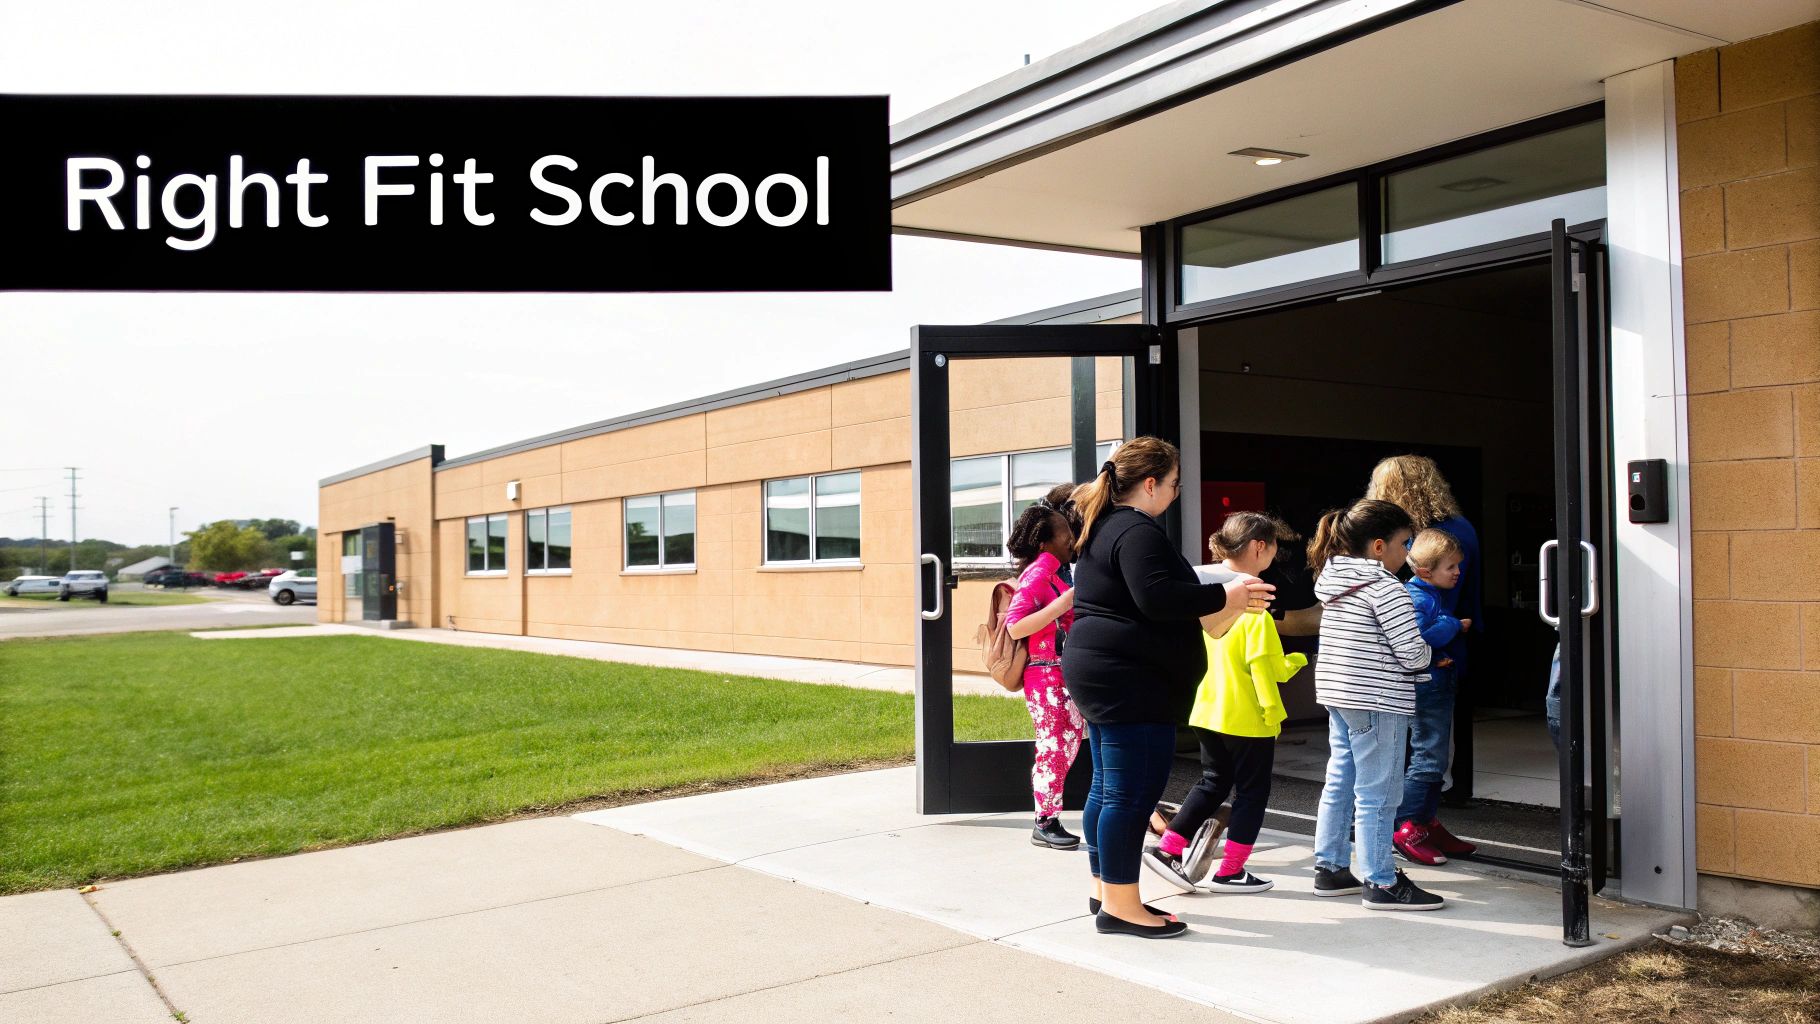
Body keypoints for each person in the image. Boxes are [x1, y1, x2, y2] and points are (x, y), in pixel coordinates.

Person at [1061, 437, 1274, 939]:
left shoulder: (1107, 525)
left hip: (1108, 673)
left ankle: (1106, 890)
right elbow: (1157, 597)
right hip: (1129, 681)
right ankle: (1121, 906)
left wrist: (1219, 593)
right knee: (1130, 796)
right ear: (1151, 483)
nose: (1177, 493)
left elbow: (1149, 595)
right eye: (1175, 484)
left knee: (1109, 790)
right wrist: (1227, 591)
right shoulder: (1136, 530)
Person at [1144, 512, 1307, 894]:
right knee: (1252, 792)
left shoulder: (1201, 588)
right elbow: (1264, 668)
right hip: (1246, 714)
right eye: (1274, 547)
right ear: (1259, 547)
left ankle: (1169, 848)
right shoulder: (1254, 598)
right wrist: (1286, 683)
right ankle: (1231, 871)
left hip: (1206, 707)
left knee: (1213, 782)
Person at [1307, 499, 1445, 911]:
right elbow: (1412, 654)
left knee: (1342, 780)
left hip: (1339, 695)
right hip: (1379, 698)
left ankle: (1330, 868)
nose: (1409, 554)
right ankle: (1381, 881)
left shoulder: (1333, 580)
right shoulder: (1386, 589)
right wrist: (1430, 653)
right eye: (1406, 544)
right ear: (1380, 546)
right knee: (1380, 791)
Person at [1366, 455, 1481, 806]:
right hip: (1460, 633)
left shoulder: (1407, 539)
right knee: (1451, 725)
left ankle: (1405, 812)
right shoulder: (1463, 527)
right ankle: (1455, 793)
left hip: (1420, 645)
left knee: (1412, 736)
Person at [1392, 529, 1477, 865]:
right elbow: (1417, 637)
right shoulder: (1418, 598)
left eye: (1458, 565)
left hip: (1435, 681)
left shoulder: (1427, 595)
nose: (1457, 572)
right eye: (1450, 567)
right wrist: (1452, 625)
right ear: (1425, 571)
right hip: (1428, 685)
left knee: (1436, 758)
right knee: (1428, 758)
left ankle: (1426, 823)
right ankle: (1407, 825)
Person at [1004, 500, 1085, 850]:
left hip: (1059, 675)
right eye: (1065, 534)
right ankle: (1044, 820)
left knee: (1067, 742)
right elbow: (1015, 626)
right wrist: (1062, 604)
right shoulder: (1038, 574)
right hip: (1044, 677)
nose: (1072, 540)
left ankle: (1048, 815)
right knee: (1051, 746)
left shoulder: (1053, 572)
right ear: (1043, 542)